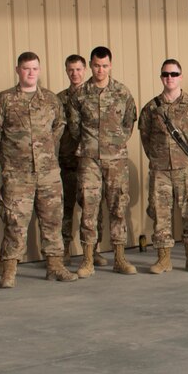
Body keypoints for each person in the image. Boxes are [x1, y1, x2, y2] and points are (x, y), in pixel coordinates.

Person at [0, 52, 76, 286]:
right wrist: (10, 153)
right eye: (26, 68)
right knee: (15, 221)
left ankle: (55, 265)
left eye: (34, 68)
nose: (31, 72)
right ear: (18, 70)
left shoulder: (50, 100)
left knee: (52, 220)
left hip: (48, 172)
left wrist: (46, 148)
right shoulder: (4, 100)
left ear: (40, 70)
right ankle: (10, 270)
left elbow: (60, 125)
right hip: (17, 174)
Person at [68, 45, 139, 276]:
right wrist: (91, 144)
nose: (100, 70)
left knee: (118, 206)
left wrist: (115, 142)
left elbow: (129, 121)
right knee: (89, 207)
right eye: (97, 65)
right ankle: (88, 259)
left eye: (105, 65)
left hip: (116, 159)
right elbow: (74, 127)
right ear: (90, 65)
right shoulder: (80, 95)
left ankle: (120, 258)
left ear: (111, 65)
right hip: (89, 159)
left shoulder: (122, 92)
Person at [137, 58, 188, 274]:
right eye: (166, 74)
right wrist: (156, 158)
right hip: (160, 171)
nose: (170, 78)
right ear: (161, 77)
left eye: (174, 74)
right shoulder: (151, 108)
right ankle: (164, 259)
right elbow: (145, 136)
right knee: (160, 214)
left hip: (186, 169)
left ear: (181, 76)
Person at [57, 54, 88, 262]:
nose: (74, 73)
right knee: (65, 208)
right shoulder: (58, 99)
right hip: (66, 162)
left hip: (89, 162)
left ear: (84, 70)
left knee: (91, 209)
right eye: (71, 70)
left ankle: (90, 252)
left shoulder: (93, 96)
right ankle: (65, 248)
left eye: (78, 69)